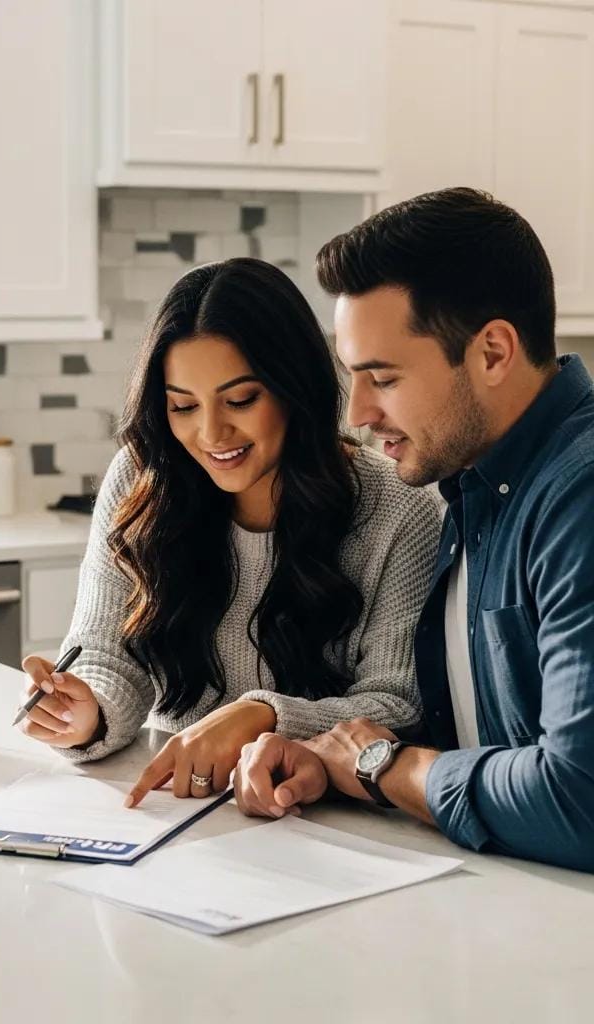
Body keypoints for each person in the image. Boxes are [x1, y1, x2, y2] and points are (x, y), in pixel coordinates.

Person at [235, 187, 594, 874]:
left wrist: (381, 766)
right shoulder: (474, 480)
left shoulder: (579, 496)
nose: (360, 412)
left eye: (384, 378)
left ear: (492, 352)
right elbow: (484, 731)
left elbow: (579, 799)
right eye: (353, 378)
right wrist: (327, 763)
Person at [16, 257, 441, 805]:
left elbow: (398, 703)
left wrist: (261, 717)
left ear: (295, 389)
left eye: (241, 400)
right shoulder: (140, 479)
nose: (211, 432)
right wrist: (84, 711)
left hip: (318, 812)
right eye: (183, 406)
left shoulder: (397, 509)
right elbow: (102, 651)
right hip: (173, 799)